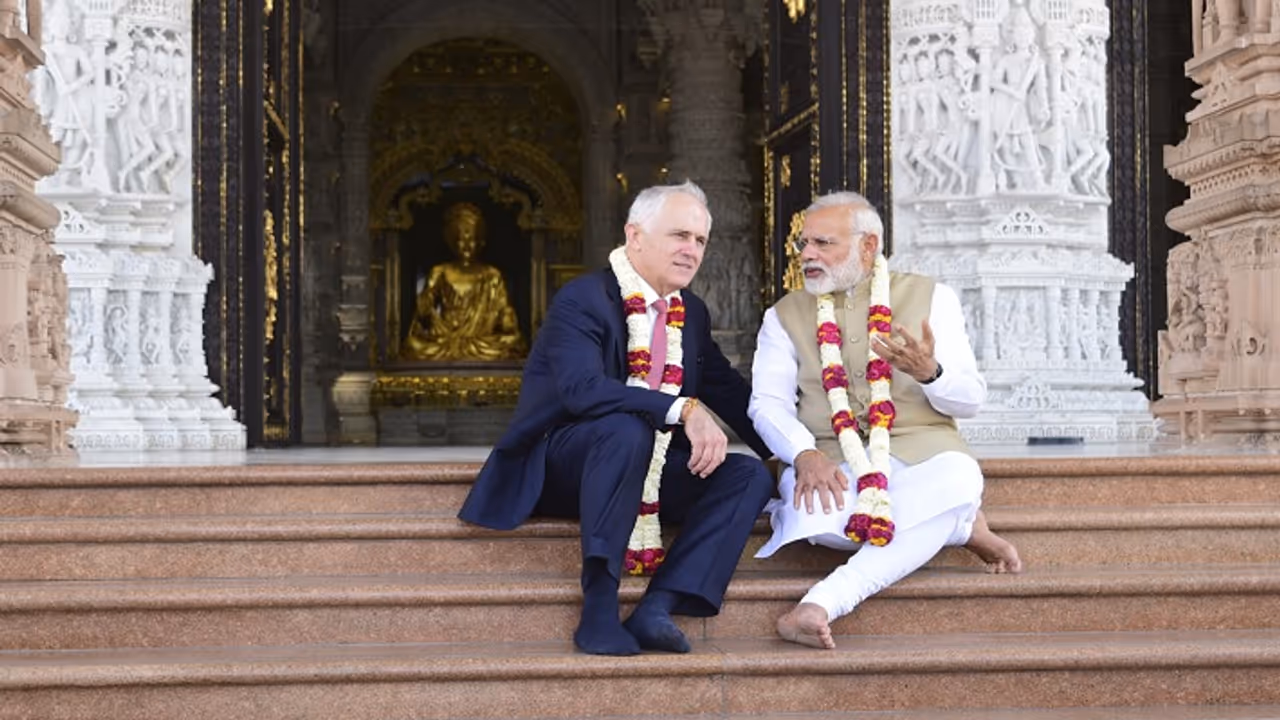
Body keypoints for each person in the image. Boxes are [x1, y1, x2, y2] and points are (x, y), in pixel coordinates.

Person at [459, 181, 774, 656]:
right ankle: (599, 612)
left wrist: (797, 453)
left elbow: (727, 390)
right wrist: (682, 408)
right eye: (679, 236)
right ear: (635, 236)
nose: (691, 251)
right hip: (565, 465)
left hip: (648, 468)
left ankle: (658, 606)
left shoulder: (691, 313)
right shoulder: (583, 299)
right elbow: (582, 391)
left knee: (747, 474)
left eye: (700, 241)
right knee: (627, 428)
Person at [749, 191, 1023, 650]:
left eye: (823, 243)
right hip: (829, 457)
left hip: (923, 451)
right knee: (822, 524)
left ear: (868, 246)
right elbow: (766, 404)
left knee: (958, 477)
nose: (807, 255)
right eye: (803, 244)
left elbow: (971, 400)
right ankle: (959, 525)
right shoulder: (783, 315)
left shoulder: (931, 297)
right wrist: (805, 455)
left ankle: (820, 604)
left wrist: (929, 374)